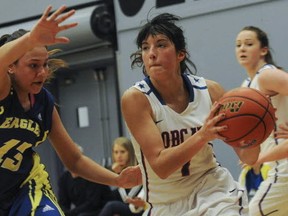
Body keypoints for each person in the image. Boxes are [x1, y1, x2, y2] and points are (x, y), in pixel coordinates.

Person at [0, 5, 141, 215]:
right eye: (33, 65)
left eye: (45, 64)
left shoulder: (43, 102)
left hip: (24, 188)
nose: (43, 72)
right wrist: (30, 39)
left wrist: (117, 180)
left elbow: (74, 160)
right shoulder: (3, 89)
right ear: (11, 66)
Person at [121, 13, 259, 216]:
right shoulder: (136, 99)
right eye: (145, 47)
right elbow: (161, 166)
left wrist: (255, 129)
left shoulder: (211, 91)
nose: (151, 53)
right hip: (166, 204)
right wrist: (202, 135)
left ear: (180, 54)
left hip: (213, 191)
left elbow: (249, 157)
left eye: (160, 45)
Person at [235, 25, 288, 216]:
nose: (242, 48)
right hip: (274, 165)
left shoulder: (266, 75)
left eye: (249, 44)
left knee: (257, 210)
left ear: (263, 50)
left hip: (285, 163)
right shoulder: (246, 86)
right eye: (238, 45)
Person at [58, 146, 112, 216]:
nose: (71, 161)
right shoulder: (64, 178)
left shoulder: (92, 173)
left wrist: (70, 213)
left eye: (75, 158)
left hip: (102, 209)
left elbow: (93, 203)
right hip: (82, 211)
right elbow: (63, 203)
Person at [99, 137, 145, 216]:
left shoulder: (138, 169)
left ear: (130, 152)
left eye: (122, 152)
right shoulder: (113, 171)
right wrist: (113, 173)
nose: (119, 156)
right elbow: (105, 197)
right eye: (116, 152)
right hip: (124, 210)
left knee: (111, 206)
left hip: (140, 210)